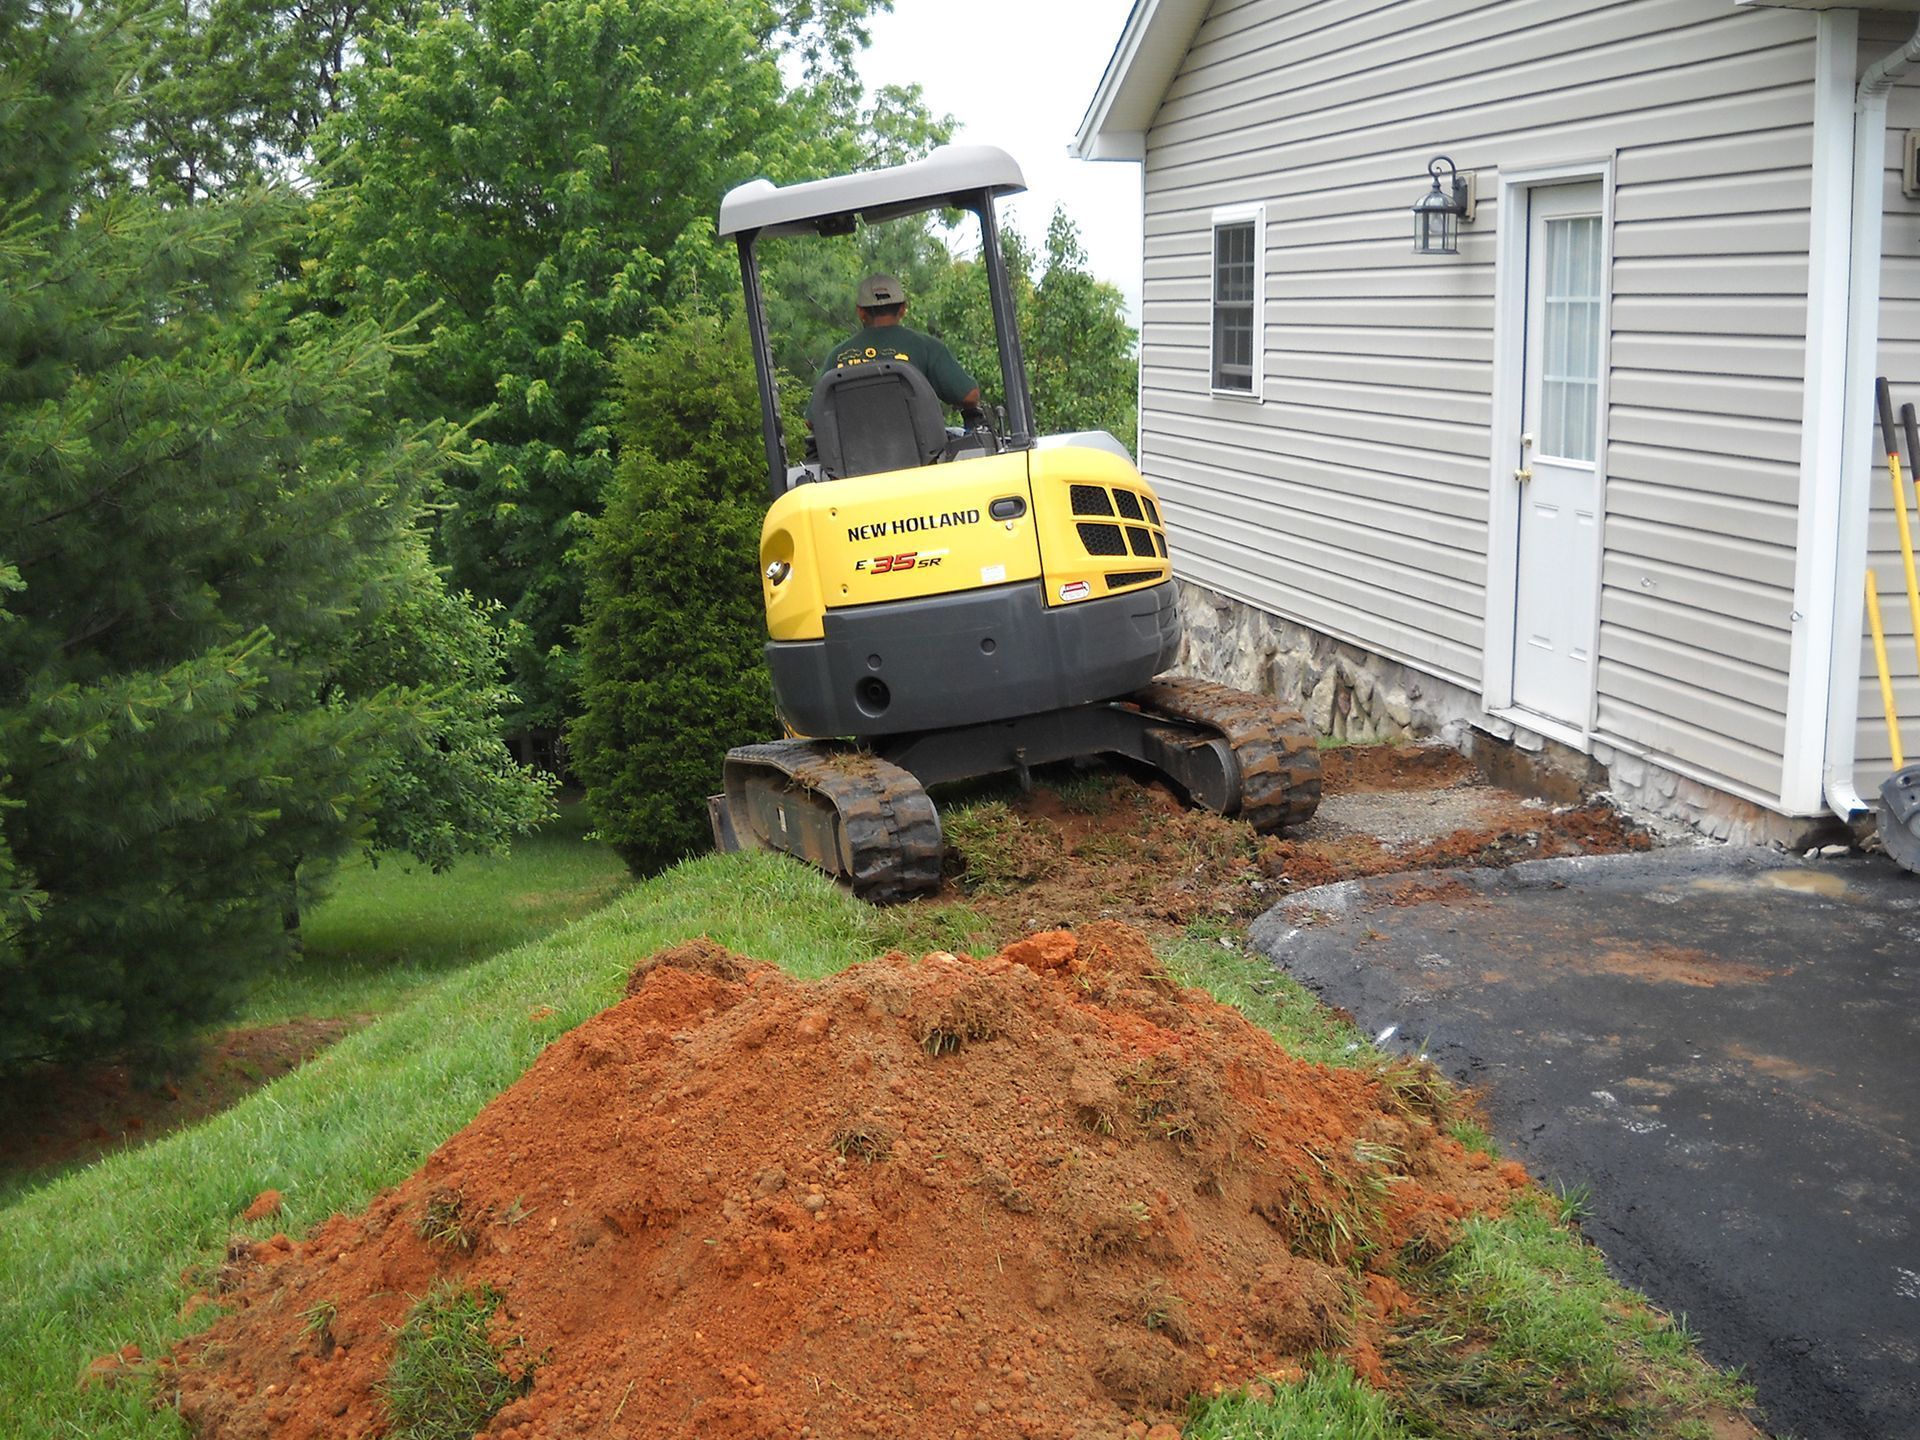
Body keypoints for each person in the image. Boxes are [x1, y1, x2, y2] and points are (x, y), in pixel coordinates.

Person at [819, 274, 986, 426]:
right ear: (902, 309)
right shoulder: (927, 347)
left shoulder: (837, 356)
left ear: (861, 312)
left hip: (852, 458)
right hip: (923, 456)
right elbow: (970, 396)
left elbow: (813, 420)